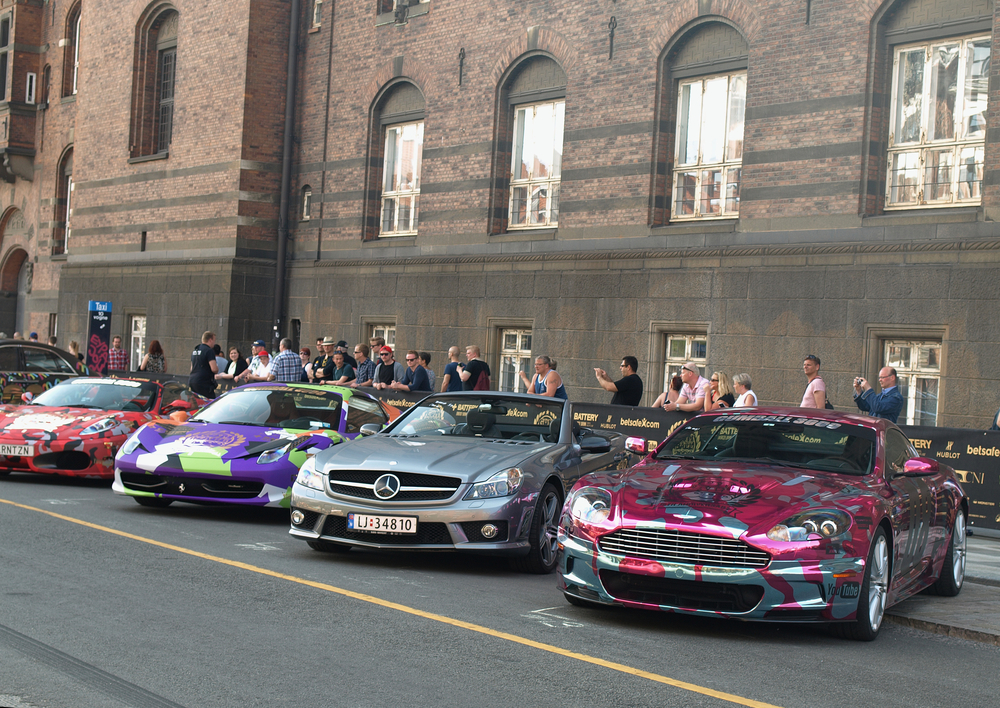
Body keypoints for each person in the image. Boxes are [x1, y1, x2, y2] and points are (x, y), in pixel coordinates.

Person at [189, 331, 219, 398]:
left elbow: (191, 368)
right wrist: (217, 369)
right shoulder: (209, 351)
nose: (214, 343)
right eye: (214, 340)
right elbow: (214, 369)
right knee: (210, 403)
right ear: (210, 340)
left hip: (192, 380)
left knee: (197, 402)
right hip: (204, 382)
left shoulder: (195, 350)